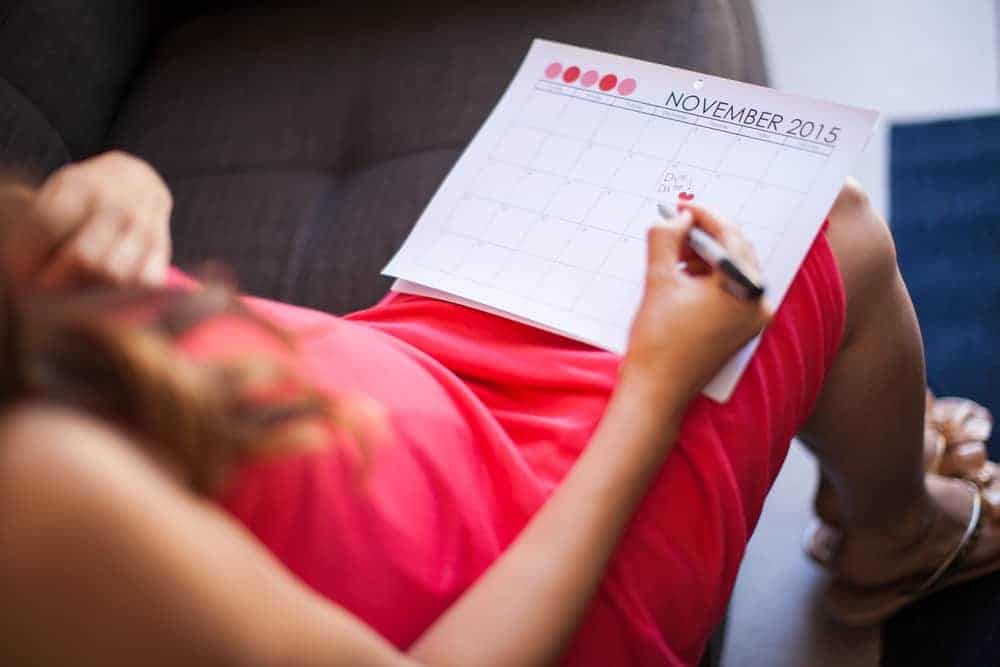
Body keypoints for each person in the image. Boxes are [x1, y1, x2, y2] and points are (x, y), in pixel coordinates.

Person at [0, 150, 995, 666]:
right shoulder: (34, 490)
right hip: (523, 568)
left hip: (421, 386)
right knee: (832, 223)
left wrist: (119, 185)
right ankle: (895, 535)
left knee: (731, 189)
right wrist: (652, 381)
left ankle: (886, 469)